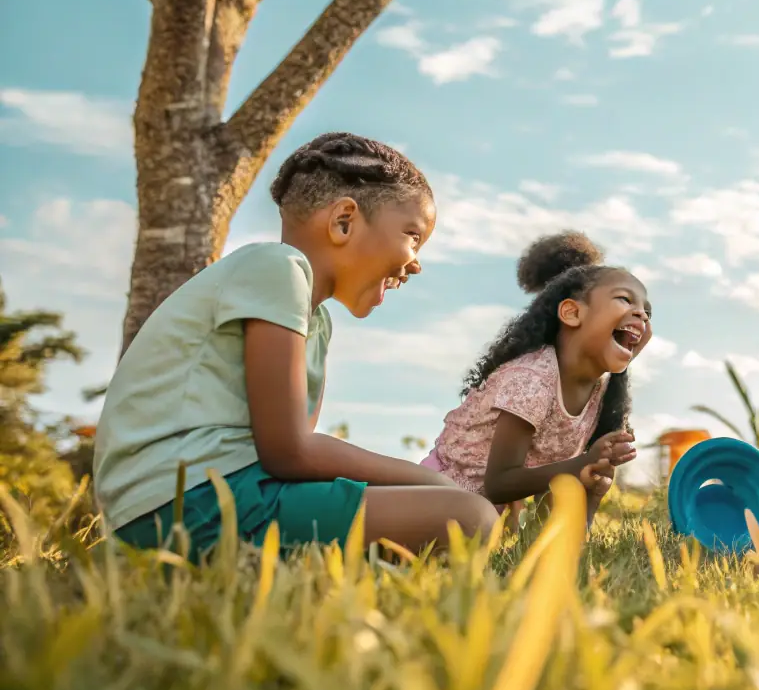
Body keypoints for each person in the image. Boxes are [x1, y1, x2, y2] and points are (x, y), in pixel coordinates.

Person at [94, 133, 498, 562]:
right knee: (469, 517)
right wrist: (432, 483)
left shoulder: (315, 321)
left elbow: (297, 461)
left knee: (440, 515)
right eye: (413, 236)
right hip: (190, 502)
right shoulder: (276, 267)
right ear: (344, 221)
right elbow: (291, 452)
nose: (416, 262)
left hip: (222, 495)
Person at [420, 231, 645, 527]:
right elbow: (500, 482)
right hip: (437, 495)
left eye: (647, 312)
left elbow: (554, 500)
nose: (641, 314)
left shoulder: (598, 393)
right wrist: (580, 466)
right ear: (571, 312)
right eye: (625, 300)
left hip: (483, 513)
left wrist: (591, 487)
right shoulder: (532, 379)